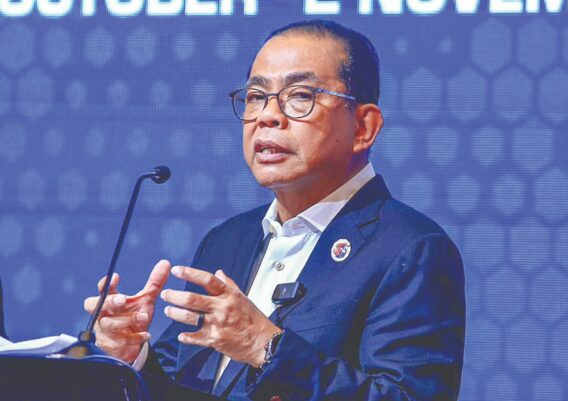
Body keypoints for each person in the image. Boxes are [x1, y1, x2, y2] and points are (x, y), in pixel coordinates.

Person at [84, 20, 465, 401]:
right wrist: (133, 356)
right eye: (255, 96)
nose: (268, 115)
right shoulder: (226, 241)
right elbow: (183, 386)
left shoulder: (410, 249)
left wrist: (265, 347)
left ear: (363, 127)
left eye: (299, 95)